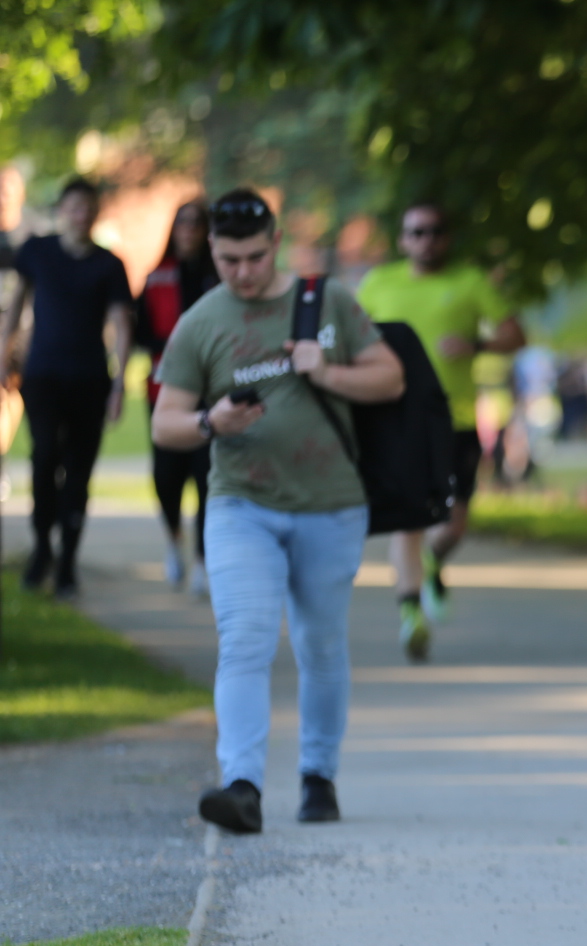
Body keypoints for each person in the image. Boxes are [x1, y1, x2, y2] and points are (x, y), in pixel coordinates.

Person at [150, 190, 404, 833]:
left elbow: (391, 378)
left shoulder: (327, 303)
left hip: (331, 505)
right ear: (212, 250)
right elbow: (164, 424)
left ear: (277, 242)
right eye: (229, 259)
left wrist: (327, 373)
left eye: (256, 257)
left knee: (320, 645)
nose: (243, 272)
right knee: (245, 639)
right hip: (242, 505)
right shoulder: (202, 321)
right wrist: (213, 420)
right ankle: (242, 786)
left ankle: (319, 778)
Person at [357, 200, 525, 660]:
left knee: (453, 524)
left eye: (434, 231)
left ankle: (434, 561)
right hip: (398, 418)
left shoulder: (470, 282)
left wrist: (477, 344)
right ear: (402, 239)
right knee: (407, 517)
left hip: (458, 419)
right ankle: (410, 612)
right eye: (416, 232)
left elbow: (516, 334)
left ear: (446, 238)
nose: (425, 240)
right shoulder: (378, 283)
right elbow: (349, 336)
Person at [0, 177, 134, 596]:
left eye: (89, 207)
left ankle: (68, 559)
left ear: (96, 213)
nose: (82, 214)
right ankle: (41, 547)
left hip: (90, 378)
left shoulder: (109, 265)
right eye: (75, 206)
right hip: (43, 376)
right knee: (44, 461)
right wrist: (4, 354)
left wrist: (119, 381)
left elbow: (121, 324)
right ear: (63, 210)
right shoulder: (37, 251)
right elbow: (17, 303)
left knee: (78, 471)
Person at [135, 199, 219, 593]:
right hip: (165, 390)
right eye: (183, 222)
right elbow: (138, 331)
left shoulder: (220, 277)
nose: (190, 230)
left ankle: (203, 558)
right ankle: (174, 540)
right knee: (166, 477)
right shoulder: (157, 278)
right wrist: (171, 346)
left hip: (212, 392)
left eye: (198, 223)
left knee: (207, 477)